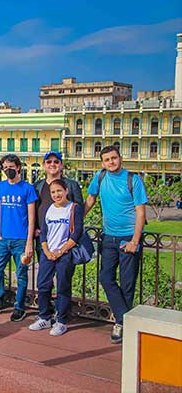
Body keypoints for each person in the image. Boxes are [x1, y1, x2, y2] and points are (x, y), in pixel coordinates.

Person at [85, 145, 147, 344]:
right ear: (102, 162)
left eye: (114, 158)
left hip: (128, 237)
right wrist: (76, 222)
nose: (111, 162)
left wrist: (134, 241)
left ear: (120, 158)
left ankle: (120, 323)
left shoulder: (133, 180)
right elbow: (91, 198)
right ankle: (125, 318)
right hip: (108, 237)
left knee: (127, 284)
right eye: (107, 160)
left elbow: (140, 212)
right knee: (106, 277)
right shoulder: (100, 177)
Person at [0, 154, 37, 322]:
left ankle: (19, 307)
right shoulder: (1, 187)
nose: (7, 170)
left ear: (18, 167)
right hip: (3, 239)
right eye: (4, 168)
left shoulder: (28, 189)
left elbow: (31, 217)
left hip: (20, 240)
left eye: (11, 167)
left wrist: (29, 243)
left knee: (21, 275)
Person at [30, 179, 84, 336]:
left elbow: (77, 232)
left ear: (66, 190)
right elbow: (44, 232)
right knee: (43, 285)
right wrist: (47, 251)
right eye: (53, 192)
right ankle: (45, 316)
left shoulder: (74, 208)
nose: (56, 194)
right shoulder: (49, 208)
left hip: (65, 254)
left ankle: (61, 320)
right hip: (48, 253)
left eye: (59, 191)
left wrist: (61, 251)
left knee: (63, 286)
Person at [33, 151, 84, 258]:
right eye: (49, 162)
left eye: (56, 162)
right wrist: (35, 228)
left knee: (64, 273)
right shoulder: (37, 186)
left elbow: (79, 210)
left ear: (61, 165)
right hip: (43, 239)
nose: (52, 164)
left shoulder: (71, 185)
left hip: (66, 240)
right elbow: (33, 210)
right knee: (45, 272)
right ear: (44, 165)